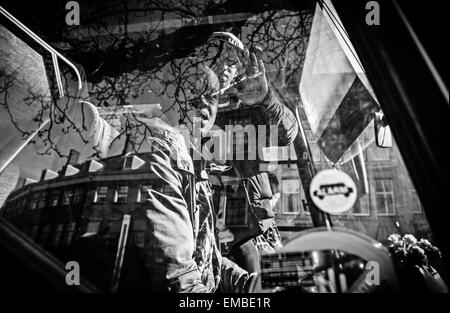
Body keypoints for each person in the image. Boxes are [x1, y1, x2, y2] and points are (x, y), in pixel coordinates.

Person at [204, 32, 298, 272]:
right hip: (205, 231)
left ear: (239, 68)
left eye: (231, 60)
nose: (224, 67)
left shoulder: (250, 108)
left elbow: (288, 134)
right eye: (215, 60)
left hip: (255, 226)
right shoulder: (194, 113)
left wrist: (265, 98)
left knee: (279, 282)